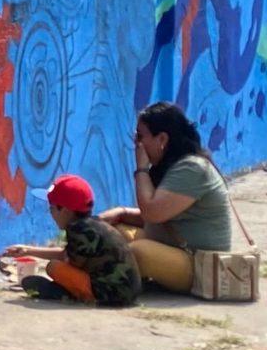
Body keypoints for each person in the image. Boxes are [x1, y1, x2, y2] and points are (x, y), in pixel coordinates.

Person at [101, 102, 239, 294]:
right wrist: (122, 214)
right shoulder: (172, 166)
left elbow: (152, 213)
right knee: (112, 233)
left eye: (140, 137)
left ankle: (97, 284)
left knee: (137, 252)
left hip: (199, 264)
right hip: (175, 250)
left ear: (162, 139)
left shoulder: (192, 169)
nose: (137, 144)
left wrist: (141, 168)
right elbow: (162, 216)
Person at [3, 175, 143, 307]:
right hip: (125, 292)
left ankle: (73, 295)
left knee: (53, 268)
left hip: (111, 294)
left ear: (64, 211)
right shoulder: (92, 225)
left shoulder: (78, 230)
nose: (50, 213)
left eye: (51, 208)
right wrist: (27, 250)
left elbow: (69, 263)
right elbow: (67, 254)